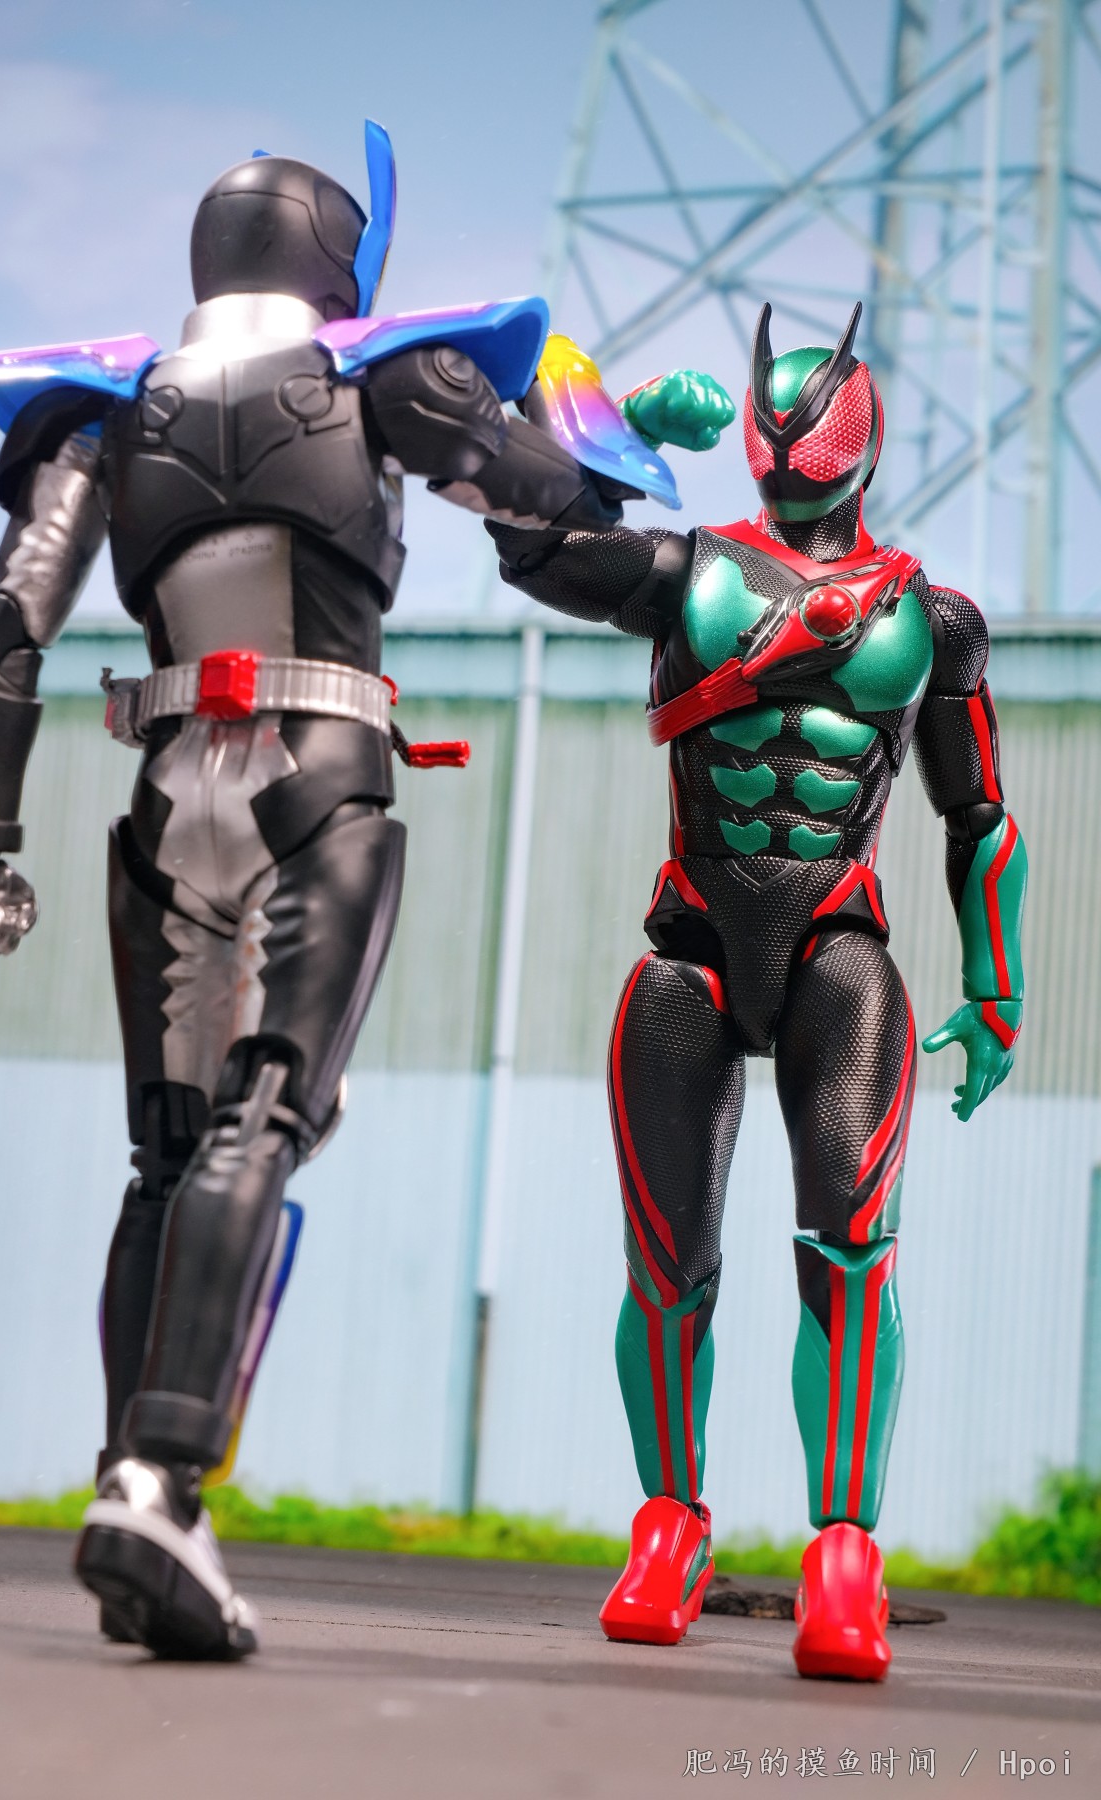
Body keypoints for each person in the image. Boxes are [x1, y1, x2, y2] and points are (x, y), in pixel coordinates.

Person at [0, 125, 621, 1660]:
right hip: (319, 778)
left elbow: (2, 632)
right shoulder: (387, 378)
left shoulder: (106, 410)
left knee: (164, 1155)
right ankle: (162, 1483)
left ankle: (128, 1481)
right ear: (333, 261)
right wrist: (601, 440)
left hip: (167, 791)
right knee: (266, 1117)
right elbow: (551, 503)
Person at [488, 301, 1027, 1680]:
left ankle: (843, 1556)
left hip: (840, 950)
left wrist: (999, 989)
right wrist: (603, 430)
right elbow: (532, 541)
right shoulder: (688, 572)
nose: (787, 449)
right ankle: (669, 1523)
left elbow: (979, 815)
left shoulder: (935, 621)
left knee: (847, 1250)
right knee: (667, 1261)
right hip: (693, 946)